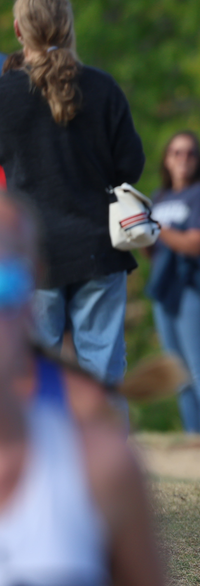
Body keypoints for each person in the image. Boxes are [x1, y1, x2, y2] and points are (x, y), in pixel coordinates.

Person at [0, 192, 164, 586]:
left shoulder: (101, 467)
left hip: (84, 256)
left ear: (29, 286)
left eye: (4, 283)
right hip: (96, 248)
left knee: (92, 397)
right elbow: (130, 162)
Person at [0, 0, 145, 388]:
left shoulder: (3, 95)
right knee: (103, 378)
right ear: (67, 27)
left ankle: (44, 453)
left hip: (34, 254)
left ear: (18, 30)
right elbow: (130, 166)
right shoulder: (102, 88)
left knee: (34, 378)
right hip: (99, 248)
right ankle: (108, 452)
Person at [146, 131, 200, 436]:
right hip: (164, 289)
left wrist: (156, 228)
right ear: (166, 159)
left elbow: (196, 243)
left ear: (198, 160)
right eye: (176, 153)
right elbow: (153, 251)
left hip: (192, 290)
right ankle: (193, 437)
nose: (183, 159)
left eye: (190, 153)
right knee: (178, 372)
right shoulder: (158, 197)